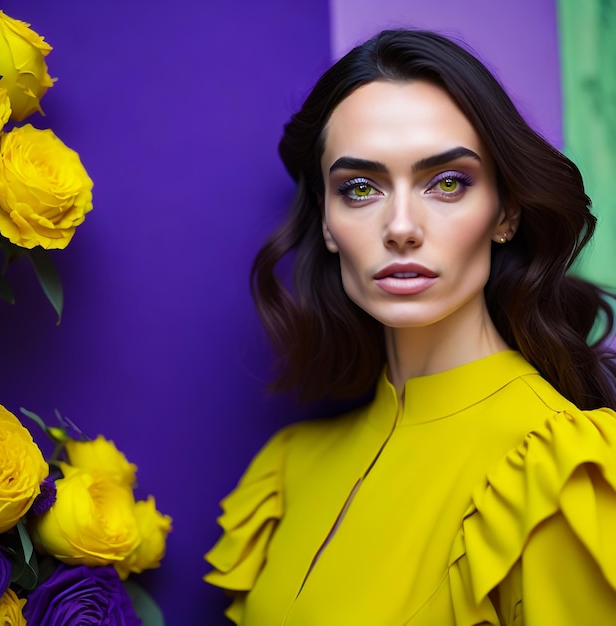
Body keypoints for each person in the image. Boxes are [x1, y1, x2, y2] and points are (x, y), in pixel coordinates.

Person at [204, 29, 616, 625]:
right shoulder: (290, 469)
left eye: (447, 182)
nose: (401, 226)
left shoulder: (560, 470)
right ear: (326, 221)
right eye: (360, 188)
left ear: (505, 213)